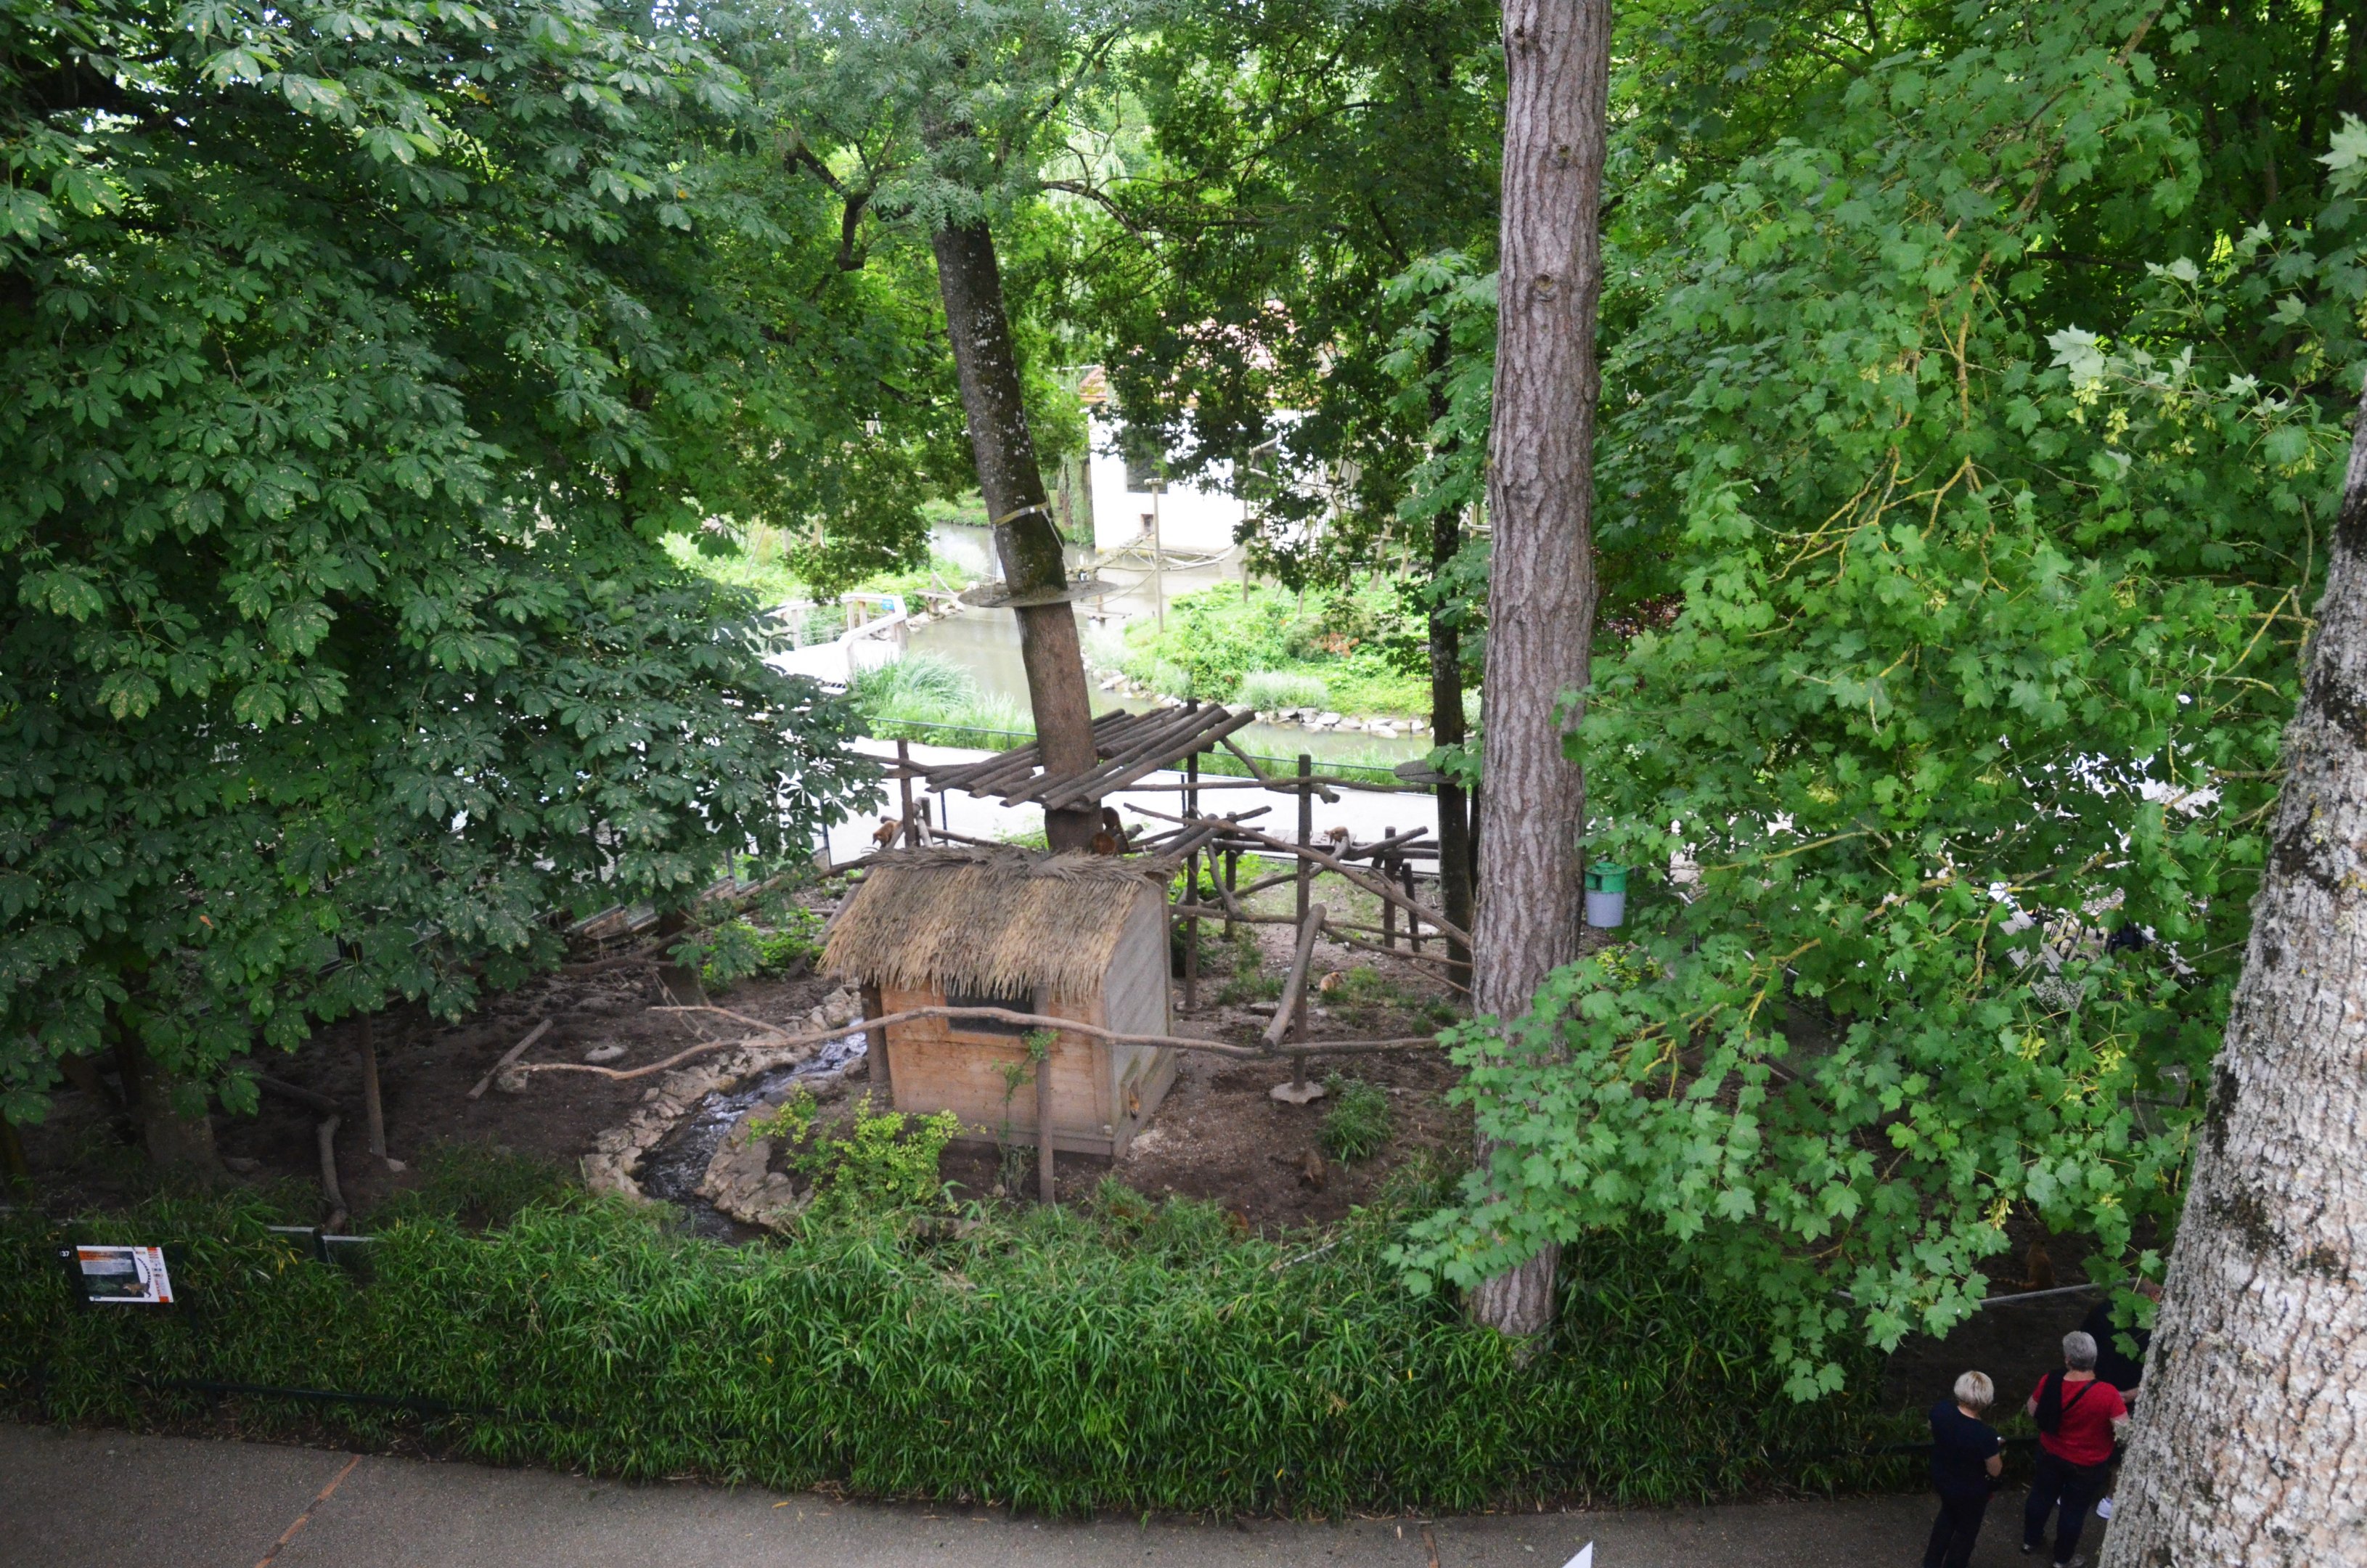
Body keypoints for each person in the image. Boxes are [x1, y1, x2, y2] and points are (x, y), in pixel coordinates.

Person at [2021, 1330, 2130, 1567]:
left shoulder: (2050, 1381)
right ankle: (2062, 1559)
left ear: (2068, 1360)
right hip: (2088, 1464)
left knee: (2040, 1497)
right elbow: (2124, 1430)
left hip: (2051, 1453)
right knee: (2073, 1511)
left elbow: (2032, 1409)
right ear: (2094, 1359)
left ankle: (2030, 1541)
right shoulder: (2108, 1393)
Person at [2079, 1277, 2161, 1524]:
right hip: (2126, 1395)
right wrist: (2133, 1394)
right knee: (2123, 1450)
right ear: (2155, 1294)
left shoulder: (2106, 1308)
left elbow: (2083, 1345)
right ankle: (2110, 1499)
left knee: (2090, 1439)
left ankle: (2075, 1490)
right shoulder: (2158, 1324)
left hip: (2098, 1389)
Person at [1924, 1371, 2004, 1568]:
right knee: (1966, 1532)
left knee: (1947, 1517)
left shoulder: (1941, 1410)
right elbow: (1995, 1470)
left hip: (1943, 1478)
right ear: (1985, 1400)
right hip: (1970, 1491)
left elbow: (1931, 1428)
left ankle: (1931, 1562)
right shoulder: (1985, 1435)